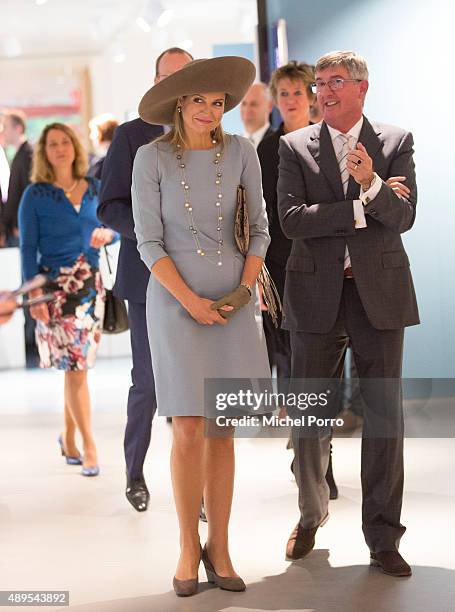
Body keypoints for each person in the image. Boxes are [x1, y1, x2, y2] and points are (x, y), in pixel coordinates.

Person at [132, 56, 270, 596]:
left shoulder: (242, 152)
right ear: (179, 104)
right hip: (173, 302)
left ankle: (222, 547)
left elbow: (259, 230)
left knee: (223, 431)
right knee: (187, 429)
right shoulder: (150, 158)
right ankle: (189, 546)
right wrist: (189, 300)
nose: (209, 111)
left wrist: (243, 292)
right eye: (199, 102)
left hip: (235, 306)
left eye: (218, 103)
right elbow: (147, 242)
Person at [278, 50, 418, 577]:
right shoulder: (293, 147)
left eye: (337, 82)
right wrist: (363, 207)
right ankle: (311, 514)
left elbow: (404, 216)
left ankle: (383, 537)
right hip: (315, 295)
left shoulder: (395, 141)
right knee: (310, 417)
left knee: (384, 417)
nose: (325, 92)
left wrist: (375, 183)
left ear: (362, 87)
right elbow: (292, 220)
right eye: (319, 84)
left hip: (378, 293)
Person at [98, 47, 193, 512]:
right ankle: (135, 472)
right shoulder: (131, 136)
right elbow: (109, 205)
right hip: (147, 278)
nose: (174, 85)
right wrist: (151, 234)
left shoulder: (212, 134)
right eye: (166, 76)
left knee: (194, 386)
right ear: (154, 81)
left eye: (184, 76)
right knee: (149, 382)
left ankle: (195, 488)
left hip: (202, 278)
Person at [257, 61, 338, 499]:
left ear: (310, 95)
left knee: (324, 370)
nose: (290, 100)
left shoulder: (326, 141)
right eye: (282, 93)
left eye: (296, 92)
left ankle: (323, 460)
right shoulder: (266, 150)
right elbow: (259, 217)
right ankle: (307, 460)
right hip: (280, 268)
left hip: (323, 264)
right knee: (294, 363)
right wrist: (263, 279)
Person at [19, 122, 117, 477]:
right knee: (76, 369)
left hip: (91, 288)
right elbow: (28, 249)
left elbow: (115, 225)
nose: (60, 149)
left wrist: (109, 233)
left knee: (75, 369)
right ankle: (90, 447)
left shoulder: (94, 188)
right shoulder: (35, 194)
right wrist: (33, 296)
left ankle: (68, 436)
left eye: (65, 142)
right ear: (44, 152)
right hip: (54, 291)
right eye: (52, 144)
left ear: (75, 147)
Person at [1, 110, 33, 247]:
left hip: (21, 227)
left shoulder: (27, 155)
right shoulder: (19, 155)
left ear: (18, 128)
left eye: (6, 126)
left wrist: (20, 223)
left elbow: (28, 193)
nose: (3, 131)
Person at [240, 82, 274, 148]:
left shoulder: (280, 143)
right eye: (244, 103)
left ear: (269, 106)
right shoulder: (233, 145)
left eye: (253, 104)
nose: (247, 109)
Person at [87, 114, 119, 179]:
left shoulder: (102, 163)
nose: (91, 136)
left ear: (102, 132)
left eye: (93, 131)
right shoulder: (120, 154)